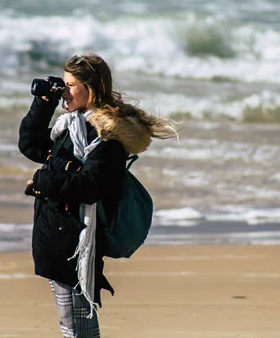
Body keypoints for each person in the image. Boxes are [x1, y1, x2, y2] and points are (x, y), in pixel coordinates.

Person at [18, 52, 177, 337]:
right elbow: (32, 146)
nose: (64, 91)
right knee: (77, 328)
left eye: (70, 85)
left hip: (74, 243)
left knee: (76, 329)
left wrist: (42, 181)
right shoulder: (73, 125)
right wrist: (43, 103)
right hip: (58, 237)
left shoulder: (105, 136)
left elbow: (91, 184)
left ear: (90, 88)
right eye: (62, 84)